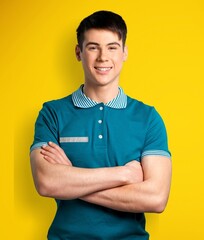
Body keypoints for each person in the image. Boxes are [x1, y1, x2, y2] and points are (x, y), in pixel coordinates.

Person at [30, 10, 172, 240]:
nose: (103, 57)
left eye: (112, 47)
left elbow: (156, 198)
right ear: (79, 52)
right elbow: (46, 182)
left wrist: (71, 178)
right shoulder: (52, 114)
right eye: (93, 47)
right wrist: (123, 174)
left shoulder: (148, 118)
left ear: (124, 52)